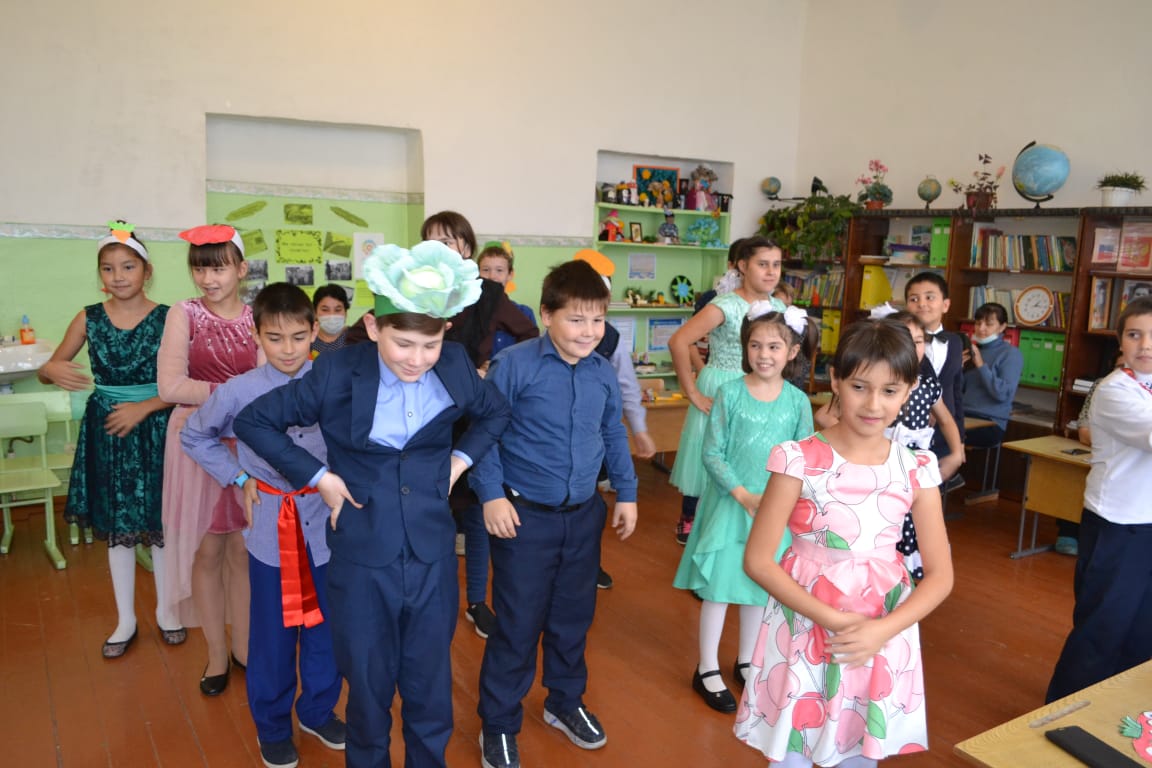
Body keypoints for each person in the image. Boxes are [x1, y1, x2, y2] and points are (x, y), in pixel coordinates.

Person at [234, 241, 510, 767]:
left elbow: (496, 412)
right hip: (361, 557)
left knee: (430, 688)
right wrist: (319, 478)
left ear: (446, 332)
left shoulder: (454, 364)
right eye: (403, 343)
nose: (416, 359)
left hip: (431, 555)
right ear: (374, 326)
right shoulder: (338, 372)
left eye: (429, 345)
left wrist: (460, 461)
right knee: (366, 687)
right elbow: (254, 421)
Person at [736, 318, 954, 767]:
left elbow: (940, 576)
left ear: (910, 390)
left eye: (890, 390)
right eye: (859, 387)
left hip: (881, 630)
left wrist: (880, 631)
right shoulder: (796, 459)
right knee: (793, 745)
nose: (873, 404)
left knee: (858, 747)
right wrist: (834, 620)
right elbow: (758, 560)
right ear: (835, 380)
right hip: (805, 623)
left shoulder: (917, 468)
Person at [469, 259, 638, 768]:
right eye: (575, 319)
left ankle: (564, 701)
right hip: (523, 518)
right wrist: (491, 494)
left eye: (597, 320)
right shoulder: (514, 365)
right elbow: (484, 432)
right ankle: (499, 722)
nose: (588, 331)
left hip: (583, 516)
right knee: (518, 623)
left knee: (573, 618)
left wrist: (627, 492)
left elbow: (612, 432)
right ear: (546, 315)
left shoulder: (602, 372)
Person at [181, 284, 344, 768]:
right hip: (272, 527)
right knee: (273, 633)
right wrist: (238, 476)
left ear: (315, 331)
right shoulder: (238, 390)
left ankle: (318, 710)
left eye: (298, 336)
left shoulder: (335, 381)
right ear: (256, 336)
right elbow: (195, 435)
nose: (288, 349)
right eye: (274, 338)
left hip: (330, 526)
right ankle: (272, 726)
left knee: (327, 626)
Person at [38, 221, 181, 657]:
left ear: (147, 271)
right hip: (108, 431)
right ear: (100, 274)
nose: (118, 276)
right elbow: (49, 369)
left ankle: (168, 612)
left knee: (159, 523)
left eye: (128, 266)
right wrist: (50, 369)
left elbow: (185, 382)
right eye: (108, 268)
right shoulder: (89, 317)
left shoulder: (170, 317)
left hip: (156, 427)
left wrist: (145, 406)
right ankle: (125, 619)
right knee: (118, 525)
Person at [673, 304, 814, 713]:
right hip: (731, 504)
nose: (763, 354)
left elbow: (802, 457)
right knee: (719, 590)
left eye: (774, 346)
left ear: (792, 352)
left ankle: (747, 660)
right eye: (755, 345)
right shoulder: (730, 393)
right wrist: (742, 494)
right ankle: (706, 667)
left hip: (773, 510)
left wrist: (783, 502)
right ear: (745, 347)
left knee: (757, 588)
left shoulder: (798, 401)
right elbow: (712, 452)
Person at [158, 223, 259, 695]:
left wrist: (234, 398)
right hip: (196, 443)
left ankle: (244, 648)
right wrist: (234, 393)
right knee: (207, 549)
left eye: (218, 268)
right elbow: (170, 386)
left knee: (242, 549)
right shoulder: (184, 314)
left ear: (241, 269)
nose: (208, 278)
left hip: (248, 445)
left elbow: (270, 381)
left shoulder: (257, 317)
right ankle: (216, 654)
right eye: (199, 269)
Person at [1046, 296, 1152, 702]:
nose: (1145, 344)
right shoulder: (1113, 391)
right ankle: (1062, 715)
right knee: (1102, 630)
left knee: (1142, 634)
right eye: (1134, 335)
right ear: (1120, 342)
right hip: (1118, 525)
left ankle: (1114, 713)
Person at [669, 236, 787, 544]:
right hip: (722, 385)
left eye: (776, 265)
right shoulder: (725, 305)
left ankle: (742, 529)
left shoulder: (778, 306)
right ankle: (704, 531)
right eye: (763, 264)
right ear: (743, 266)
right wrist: (692, 392)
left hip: (761, 389)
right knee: (717, 461)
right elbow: (679, 341)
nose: (771, 272)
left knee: (749, 460)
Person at [905, 272, 966, 490]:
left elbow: (957, 392)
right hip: (909, 432)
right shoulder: (899, 343)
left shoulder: (956, 342)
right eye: (914, 299)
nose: (921, 304)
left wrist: (959, 441)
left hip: (943, 435)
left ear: (945, 305)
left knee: (933, 498)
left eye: (929, 297)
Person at [962, 302, 1023, 448]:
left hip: (990, 421)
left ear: (1002, 327)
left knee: (942, 436)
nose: (981, 328)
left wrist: (980, 365)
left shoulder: (1010, 354)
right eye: (978, 323)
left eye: (988, 324)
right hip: (963, 415)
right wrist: (957, 368)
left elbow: (1002, 394)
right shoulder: (972, 350)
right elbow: (960, 391)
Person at [311, 283, 349, 355]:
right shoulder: (307, 340)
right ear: (315, 313)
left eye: (337, 310)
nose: (332, 315)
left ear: (346, 313)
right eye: (325, 310)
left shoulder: (356, 338)